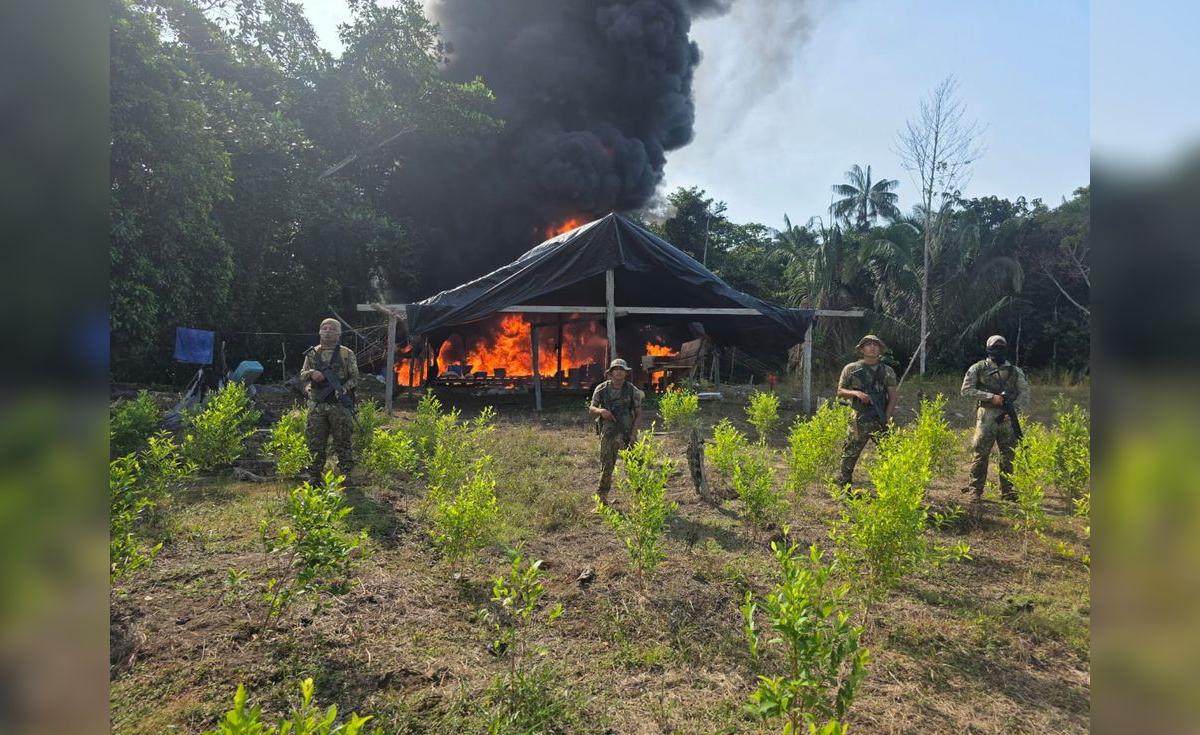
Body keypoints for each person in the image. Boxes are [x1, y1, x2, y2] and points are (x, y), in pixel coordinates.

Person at [960, 334, 1030, 500]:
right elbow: (966, 390)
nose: (998, 349)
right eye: (994, 346)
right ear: (988, 348)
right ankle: (975, 490)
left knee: (1008, 456)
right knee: (980, 454)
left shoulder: (1014, 371)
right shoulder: (979, 368)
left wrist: (1015, 411)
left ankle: (1008, 492)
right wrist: (991, 397)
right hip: (986, 417)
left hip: (1008, 418)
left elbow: (1024, 392)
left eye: (1001, 346)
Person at [300, 318, 360, 484]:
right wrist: (312, 373)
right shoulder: (313, 354)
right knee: (315, 442)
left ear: (338, 333)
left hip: (339, 405)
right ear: (319, 332)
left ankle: (346, 476)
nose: (327, 330)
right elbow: (302, 375)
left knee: (343, 441)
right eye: (324, 328)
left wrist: (343, 389)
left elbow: (355, 378)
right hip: (317, 404)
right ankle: (314, 476)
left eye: (331, 328)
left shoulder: (346, 354)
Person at [835, 335, 898, 487]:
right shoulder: (851, 368)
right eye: (868, 344)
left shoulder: (887, 371)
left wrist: (887, 418)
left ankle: (891, 488)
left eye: (875, 345)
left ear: (880, 349)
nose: (872, 347)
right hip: (859, 418)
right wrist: (856, 393)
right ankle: (844, 487)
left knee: (890, 453)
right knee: (850, 454)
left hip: (880, 418)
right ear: (862, 349)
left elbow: (893, 397)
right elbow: (840, 391)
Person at [588, 358, 644, 503]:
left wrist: (633, 434)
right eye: (616, 370)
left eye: (621, 370)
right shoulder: (602, 388)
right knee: (606, 466)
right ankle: (602, 500)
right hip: (608, 434)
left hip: (627, 433)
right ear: (611, 373)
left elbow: (638, 414)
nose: (618, 372)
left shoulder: (632, 390)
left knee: (635, 466)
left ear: (626, 373)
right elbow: (591, 409)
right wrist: (602, 411)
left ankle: (640, 501)